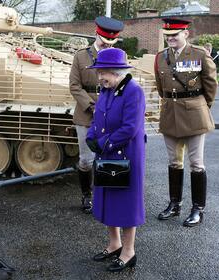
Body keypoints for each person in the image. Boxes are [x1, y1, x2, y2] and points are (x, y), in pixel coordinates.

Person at [86, 48, 146, 272]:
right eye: (99, 72)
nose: (100, 77)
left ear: (118, 71)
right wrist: (92, 136)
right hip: (107, 152)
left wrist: (103, 143)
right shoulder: (106, 90)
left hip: (125, 154)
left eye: (104, 73)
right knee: (108, 198)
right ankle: (114, 244)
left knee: (126, 203)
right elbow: (97, 117)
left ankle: (128, 251)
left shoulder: (134, 91)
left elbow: (130, 128)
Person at [155, 18, 217, 227]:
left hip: (194, 113)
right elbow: (160, 86)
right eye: (168, 35)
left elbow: (210, 84)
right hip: (170, 113)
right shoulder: (161, 58)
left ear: (186, 34)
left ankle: (198, 208)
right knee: (174, 162)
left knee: (196, 164)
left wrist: (201, 106)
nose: (171, 38)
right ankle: (175, 204)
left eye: (175, 34)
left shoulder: (199, 53)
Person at [69, 16, 124, 213]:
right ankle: (86, 195)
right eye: (104, 40)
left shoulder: (119, 55)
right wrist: (93, 106)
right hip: (87, 114)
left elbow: (124, 84)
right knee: (86, 159)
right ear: (96, 32)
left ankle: (108, 195)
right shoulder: (81, 56)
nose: (107, 44)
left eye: (111, 41)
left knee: (109, 156)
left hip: (112, 115)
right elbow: (74, 86)